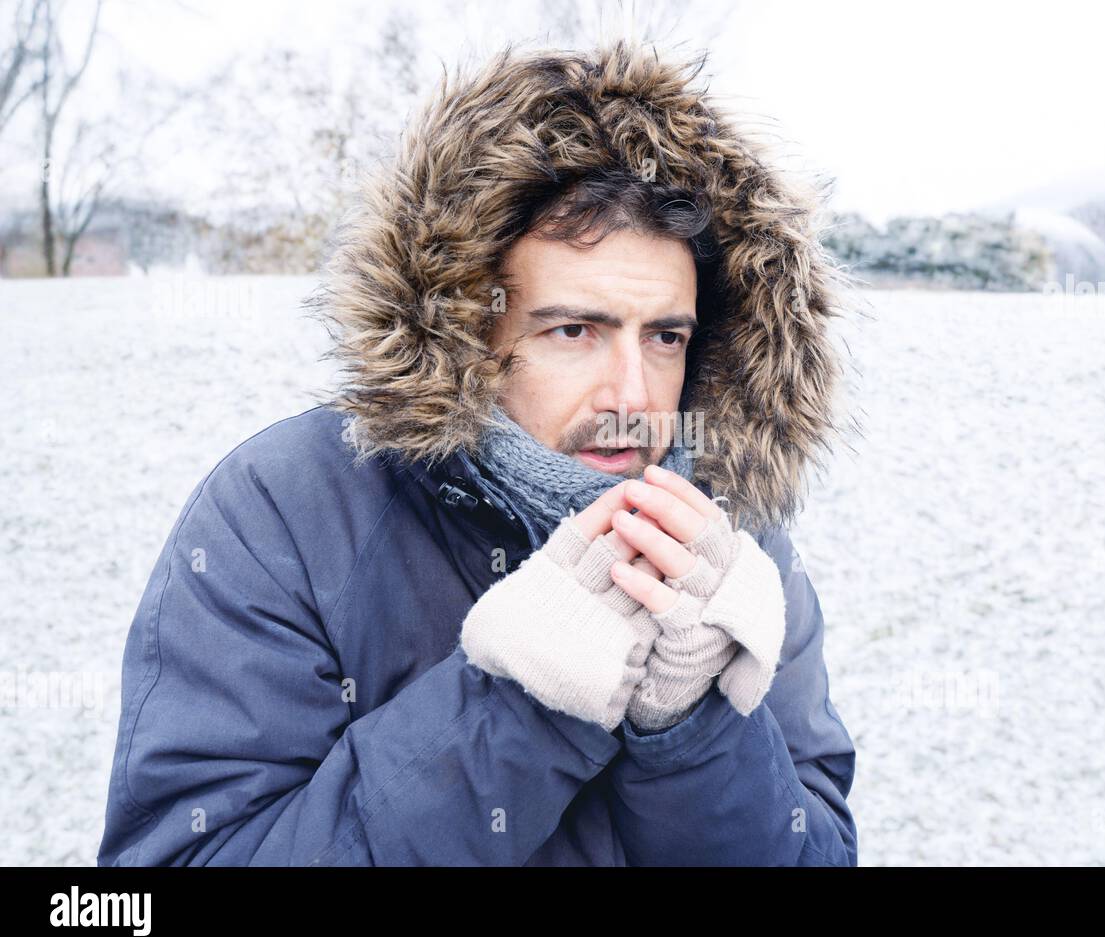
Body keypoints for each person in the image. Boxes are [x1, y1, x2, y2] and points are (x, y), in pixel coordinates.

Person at [97, 39, 858, 866]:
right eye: (575, 330)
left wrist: (692, 726)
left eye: (666, 336)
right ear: (466, 325)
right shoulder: (285, 513)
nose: (633, 398)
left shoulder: (732, 543)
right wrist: (525, 699)